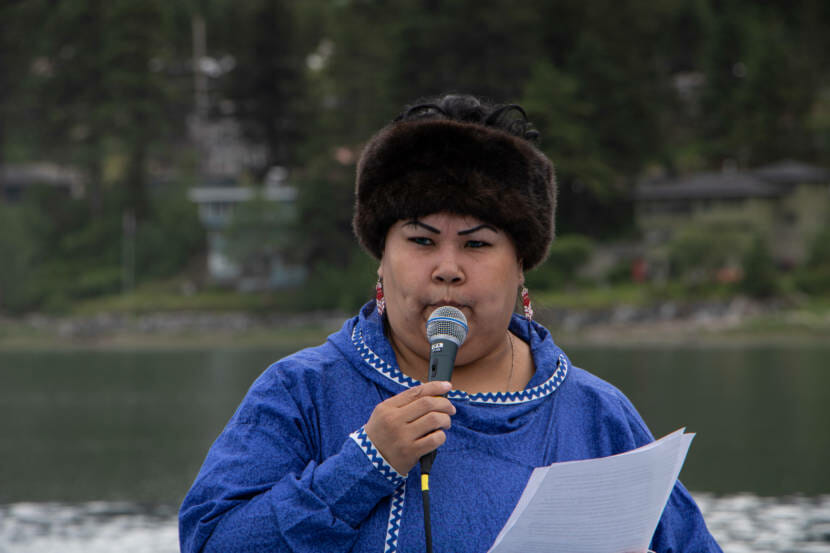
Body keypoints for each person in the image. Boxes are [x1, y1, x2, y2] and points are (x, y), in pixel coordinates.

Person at [179, 94, 722, 553]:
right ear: (381, 259)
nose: (447, 269)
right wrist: (364, 465)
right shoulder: (303, 391)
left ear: (521, 268)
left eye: (477, 244)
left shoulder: (594, 413)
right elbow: (209, 541)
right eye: (420, 241)